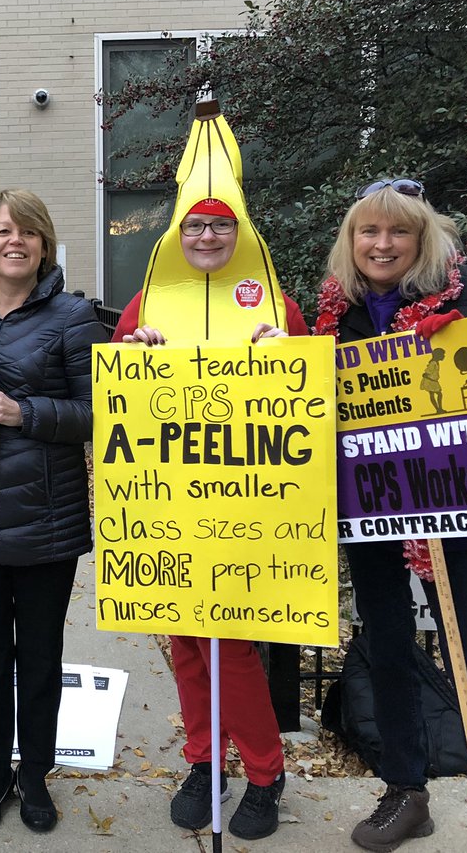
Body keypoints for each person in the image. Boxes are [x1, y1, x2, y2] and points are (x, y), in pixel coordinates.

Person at [314, 178, 467, 853]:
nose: (382, 244)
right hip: (373, 512)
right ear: (351, 241)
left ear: (423, 239)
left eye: (399, 232)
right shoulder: (339, 314)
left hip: (450, 507)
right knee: (388, 651)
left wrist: (461, 359)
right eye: (369, 231)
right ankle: (405, 792)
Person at [112, 196, 301, 841]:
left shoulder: (276, 305)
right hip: (170, 506)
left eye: (222, 224)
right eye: (196, 225)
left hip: (249, 508)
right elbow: (119, 395)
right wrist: (135, 354)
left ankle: (265, 771)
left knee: (231, 646)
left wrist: (287, 352)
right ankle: (204, 762)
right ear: (177, 235)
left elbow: (308, 391)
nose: (209, 235)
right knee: (188, 644)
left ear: (239, 232)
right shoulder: (146, 304)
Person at [0, 190, 105, 836]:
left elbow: (100, 413)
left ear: (44, 243)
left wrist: (22, 412)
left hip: (45, 521)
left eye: (28, 232)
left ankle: (33, 778)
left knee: (37, 663)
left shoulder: (74, 315)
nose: (15, 241)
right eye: (3, 231)